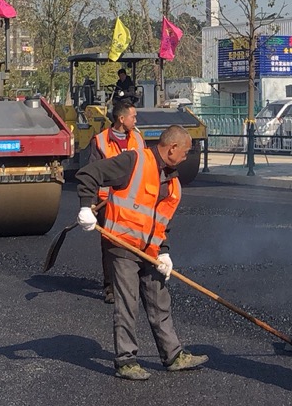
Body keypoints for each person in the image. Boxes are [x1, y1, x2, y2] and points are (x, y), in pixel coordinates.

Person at [75, 124, 207, 381]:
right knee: (127, 302)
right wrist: (85, 208)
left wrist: (164, 253)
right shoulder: (134, 161)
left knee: (159, 301)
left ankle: (173, 355)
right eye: (186, 151)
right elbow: (89, 173)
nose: (187, 156)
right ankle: (126, 361)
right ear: (172, 148)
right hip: (122, 245)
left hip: (149, 250)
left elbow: (161, 223)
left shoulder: (173, 184)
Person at [73, 98, 146, 306]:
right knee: (110, 247)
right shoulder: (101, 141)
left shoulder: (138, 139)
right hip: (109, 204)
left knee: (134, 244)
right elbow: (93, 173)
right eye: (133, 116)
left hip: (134, 203)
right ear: (121, 119)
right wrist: (89, 205)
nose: (136, 119)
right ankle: (111, 288)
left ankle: (132, 285)